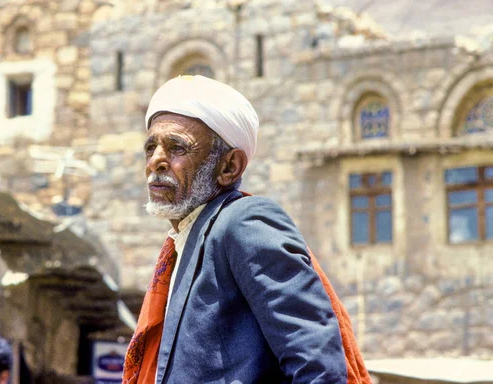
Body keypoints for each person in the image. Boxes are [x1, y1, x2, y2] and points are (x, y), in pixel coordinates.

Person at [123, 75, 371, 384]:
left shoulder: (243, 221)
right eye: (151, 148)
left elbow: (318, 368)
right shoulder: (185, 244)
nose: (156, 161)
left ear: (229, 167)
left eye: (177, 147)